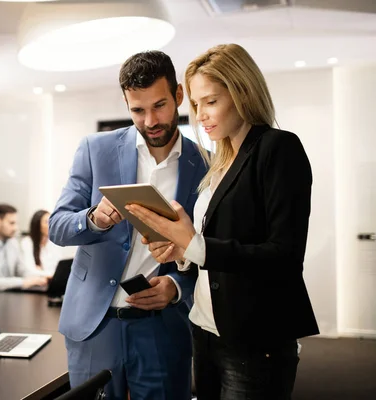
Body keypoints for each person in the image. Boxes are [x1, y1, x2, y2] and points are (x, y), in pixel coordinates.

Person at [126, 43, 319, 400]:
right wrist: (180, 250)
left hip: (253, 339)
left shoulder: (278, 148)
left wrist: (193, 244)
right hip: (205, 329)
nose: (200, 115)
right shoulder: (221, 161)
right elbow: (211, 249)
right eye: (196, 105)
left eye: (210, 101)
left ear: (243, 91)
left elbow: (284, 255)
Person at [48, 50, 207, 400]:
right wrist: (92, 219)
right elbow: (57, 226)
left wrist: (176, 286)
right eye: (137, 110)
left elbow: (208, 251)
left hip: (162, 327)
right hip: (94, 325)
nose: (150, 120)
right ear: (126, 104)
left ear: (179, 96)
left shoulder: (205, 164)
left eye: (160, 105)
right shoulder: (95, 149)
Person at [0, 204, 48, 291]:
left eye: (16, 223)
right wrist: (23, 282)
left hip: (6, 295)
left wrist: (39, 278)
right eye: (11, 223)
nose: (16, 228)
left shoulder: (13, 243)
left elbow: (22, 270)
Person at [21, 210, 61, 275]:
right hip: (38, 282)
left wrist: (42, 272)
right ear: (37, 225)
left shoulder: (53, 242)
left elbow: (58, 267)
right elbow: (30, 270)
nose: (51, 225)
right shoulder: (27, 242)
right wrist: (47, 274)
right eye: (46, 222)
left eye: (51, 221)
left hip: (53, 280)